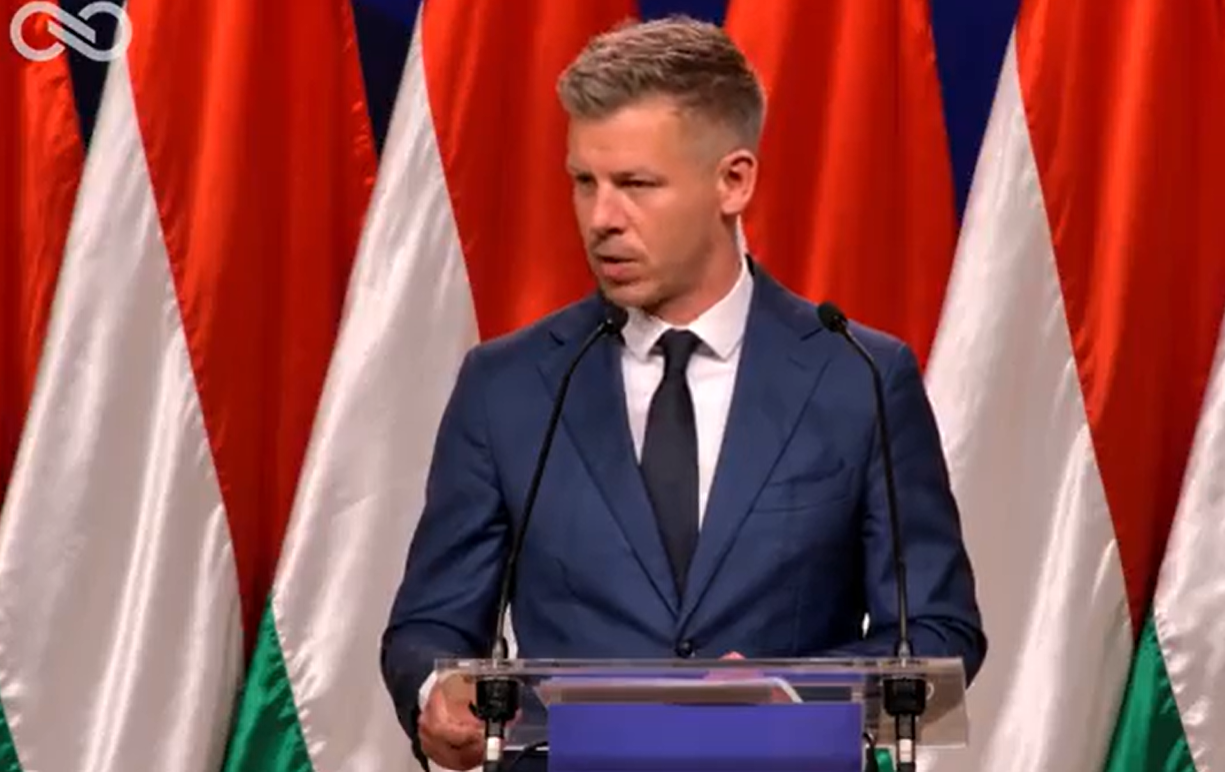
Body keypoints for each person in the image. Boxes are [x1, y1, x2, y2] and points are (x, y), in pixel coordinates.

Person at [380, 15, 985, 771]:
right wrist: (436, 689)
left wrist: (791, 693)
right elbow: (430, 625)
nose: (602, 219)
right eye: (584, 182)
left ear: (734, 182)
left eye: (636, 185)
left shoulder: (859, 377)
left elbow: (935, 631)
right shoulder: (507, 385)